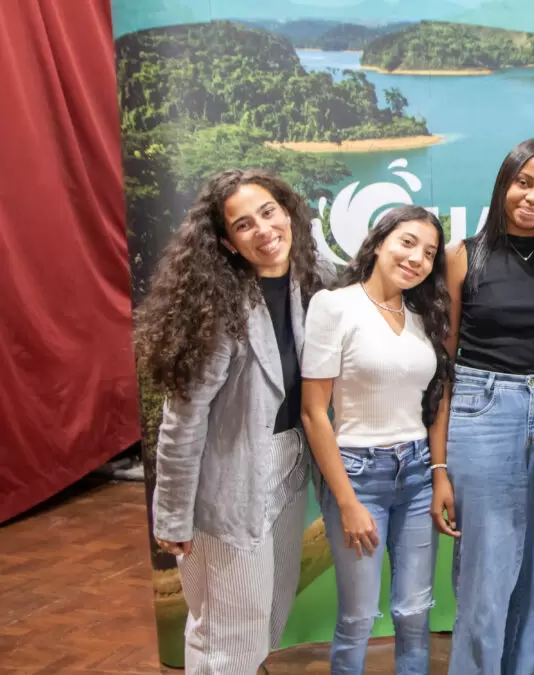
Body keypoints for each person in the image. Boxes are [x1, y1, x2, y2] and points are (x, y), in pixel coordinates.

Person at [137, 168, 332, 674]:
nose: (263, 229)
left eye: (269, 212)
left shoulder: (309, 280)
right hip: (227, 483)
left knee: (267, 611)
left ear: (288, 213)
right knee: (229, 630)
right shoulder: (216, 307)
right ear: (227, 242)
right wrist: (172, 515)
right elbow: (182, 420)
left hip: (287, 470)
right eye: (244, 224)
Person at [428, 138, 534, 675]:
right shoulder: (463, 256)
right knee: (486, 571)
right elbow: (445, 364)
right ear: (504, 183)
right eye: (524, 183)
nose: (533, 198)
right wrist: (439, 467)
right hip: (483, 413)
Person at [300, 205, 450, 674]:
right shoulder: (334, 306)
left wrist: (438, 473)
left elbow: (434, 402)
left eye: (429, 253)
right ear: (379, 242)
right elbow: (314, 412)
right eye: (407, 242)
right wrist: (347, 502)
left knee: (415, 612)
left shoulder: (424, 316)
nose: (417, 258)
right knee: (359, 617)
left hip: (417, 474)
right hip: (358, 474)